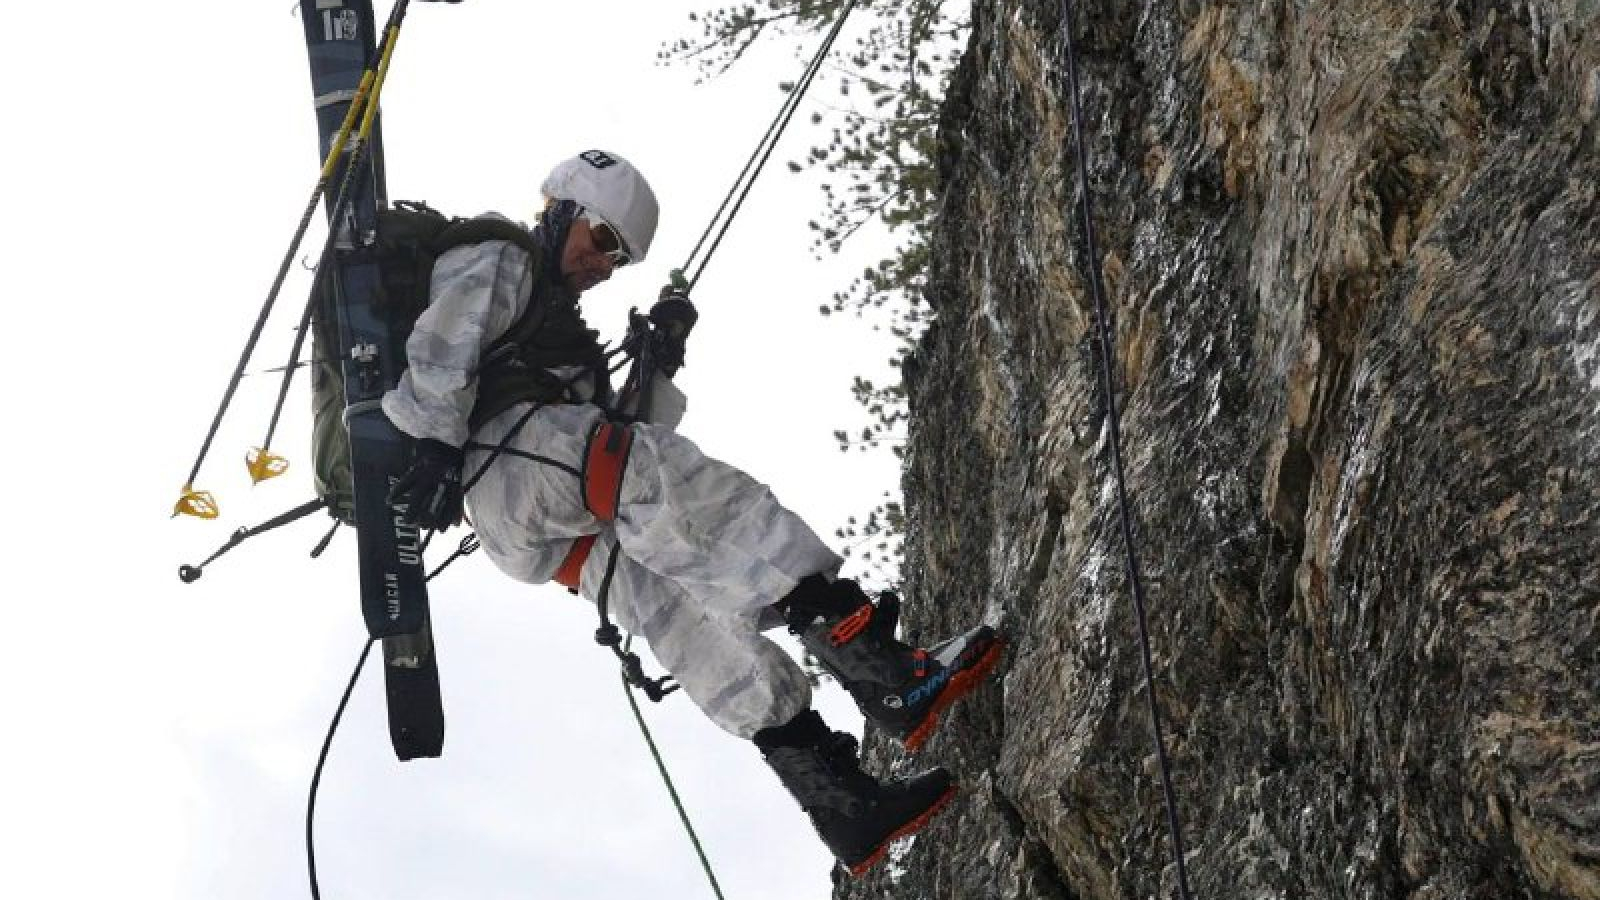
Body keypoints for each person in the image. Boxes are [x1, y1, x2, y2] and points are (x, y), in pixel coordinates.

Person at [380, 149, 1003, 876]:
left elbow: (621, 435)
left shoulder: (556, 328)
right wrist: (426, 445)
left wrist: (661, 362)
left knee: (685, 614)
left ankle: (843, 803)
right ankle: (872, 659)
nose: (605, 265)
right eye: (603, 240)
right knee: (690, 491)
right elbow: (443, 346)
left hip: (541, 510)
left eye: (621, 258)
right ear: (561, 210)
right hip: (509, 461)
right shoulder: (501, 256)